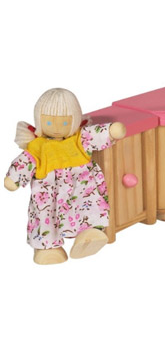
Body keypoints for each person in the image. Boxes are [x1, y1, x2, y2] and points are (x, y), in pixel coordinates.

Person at [4, 88, 126, 265]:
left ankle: (88, 235)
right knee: (46, 216)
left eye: (64, 123)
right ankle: (48, 249)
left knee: (88, 204)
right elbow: (26, 161)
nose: (56, 128)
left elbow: (95, 134)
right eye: (48, 122)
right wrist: (14, 178)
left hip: (80, 185)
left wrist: (111, 131)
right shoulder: (38, 146)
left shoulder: (79, 138)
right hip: (49, 192)